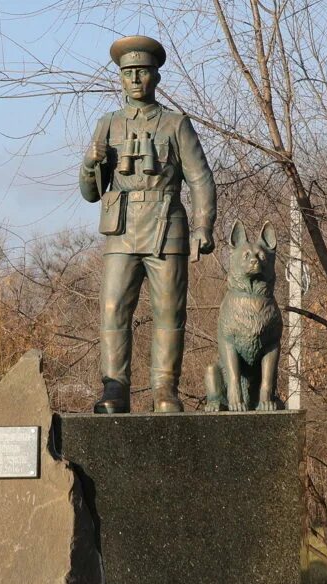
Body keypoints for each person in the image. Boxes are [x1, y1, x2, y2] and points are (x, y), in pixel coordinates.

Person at [79, 35, 217, 413]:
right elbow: (90, 193)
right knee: (112, 308)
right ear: (120, 79)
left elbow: (200, 178)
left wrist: (204, 225)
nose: (135, 79)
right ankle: (114, 388)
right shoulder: (107, 125)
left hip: (166, 225)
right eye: (128, 73)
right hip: (121, 228)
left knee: (169, 310)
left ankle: (164, 389)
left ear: (156, 76)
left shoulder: (176, 124)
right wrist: (91, 163)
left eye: (142, 72)